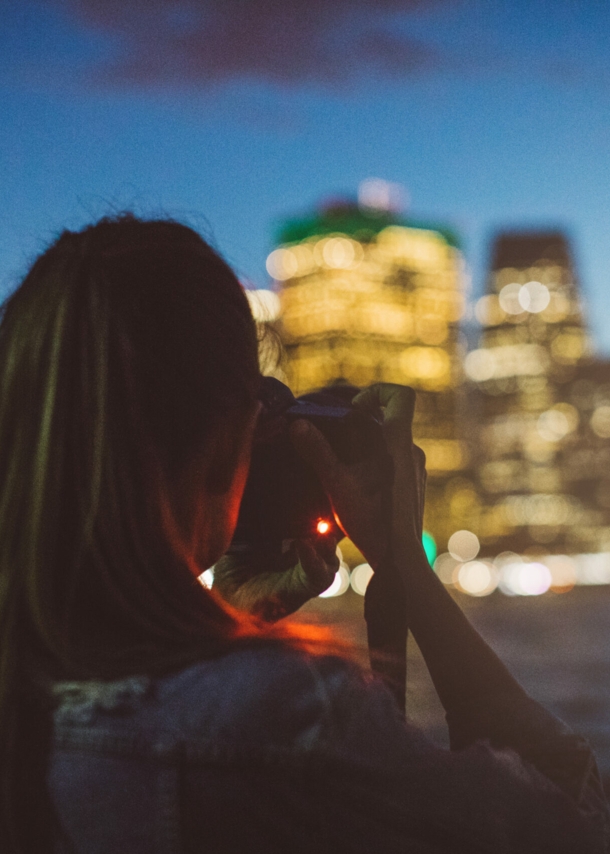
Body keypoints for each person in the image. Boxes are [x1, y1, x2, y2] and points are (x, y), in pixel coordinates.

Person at [0, 215, 606, 854]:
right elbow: (571, 825)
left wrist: (229, 616)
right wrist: (407, 570)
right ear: (222, 444)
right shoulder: (289, 717)